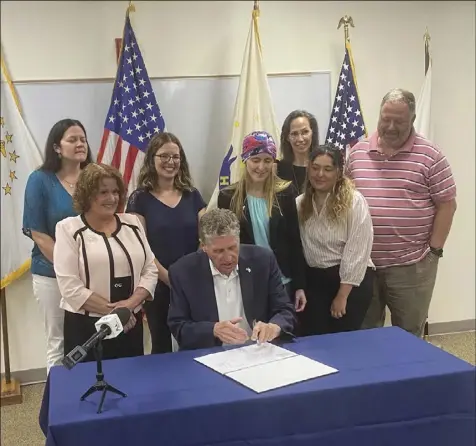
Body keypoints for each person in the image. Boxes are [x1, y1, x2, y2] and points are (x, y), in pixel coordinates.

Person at [346, 88, 457, 338]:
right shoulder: (357, 154)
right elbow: (345, 200)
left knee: (408, 336)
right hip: (364, 266)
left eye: (400, 121)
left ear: (413, 120)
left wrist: (434, 251)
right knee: (365, 334)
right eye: (386, 119)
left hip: (412, 266)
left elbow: (447, 204)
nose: (391, 126)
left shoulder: (431, 156)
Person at [53, 163, 158, 362]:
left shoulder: (133, 224)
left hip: (129, 324)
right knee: (86, 386)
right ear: (87, 194)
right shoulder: (68, 229)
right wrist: (117, 313)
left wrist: (129, 306)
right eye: (103, 192)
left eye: (115, 191)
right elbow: (70, 287)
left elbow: (150, 270)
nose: (112, 198)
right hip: (87, 326)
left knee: (130, 383)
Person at [167, 208, 296, 351]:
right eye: (218, 251)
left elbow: (285, 310)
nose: (228, 258)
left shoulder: (263, 261)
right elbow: (178, 326)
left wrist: (274, 327)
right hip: (209, 355)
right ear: (203, 246)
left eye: (232, 247)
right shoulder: (183, 272)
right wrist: (213, 330)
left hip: (257, 351)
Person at [22, 118, 92, 374]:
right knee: (59, 343)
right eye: (72, 139)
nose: (80, 144)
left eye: (82, 139)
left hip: (94, 276)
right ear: (57, 147)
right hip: (52, 277)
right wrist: (70, 269)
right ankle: (58, 407)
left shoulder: (94, 177)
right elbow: (38, 233)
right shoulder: (40, 180)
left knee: (92, 341)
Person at [126, 132, 206, 354]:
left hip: (192, 282)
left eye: (175, 157)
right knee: (161, 343)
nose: (170, 162)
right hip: (158, 284)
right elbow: (141, 247)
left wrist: (187, 277)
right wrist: (169, 278)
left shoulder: (193, 195)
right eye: (164, 156)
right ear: (152, 158)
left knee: (194, 341)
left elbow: (206, 239)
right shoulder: (139, 199)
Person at [218, 131, 307, 313]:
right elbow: (227, 245)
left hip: (282, 281)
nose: (261, 166)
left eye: (267, 160)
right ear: (245, 160)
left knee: (283, 333)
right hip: (248, 280)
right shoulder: (228, 197)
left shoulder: (285, 193)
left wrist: (299, 285)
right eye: (256, 160)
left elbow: (295, 241)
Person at [296, 144, 375, 335]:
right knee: (314, 341)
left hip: (349, 283)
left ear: (338, 172)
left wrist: (342, 295)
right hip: (315, 283)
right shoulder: (299, 203)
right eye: (315, 168)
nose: (320, 174)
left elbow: (357, 251)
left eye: (327, 169)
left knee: (343, 342)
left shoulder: (354, 202)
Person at [276, 110, 319, 193]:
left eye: (305, 132)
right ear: (287, 137)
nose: (300, 139)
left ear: (312, 133)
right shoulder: (278, 169)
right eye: (294, 134)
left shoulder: (321, 167)